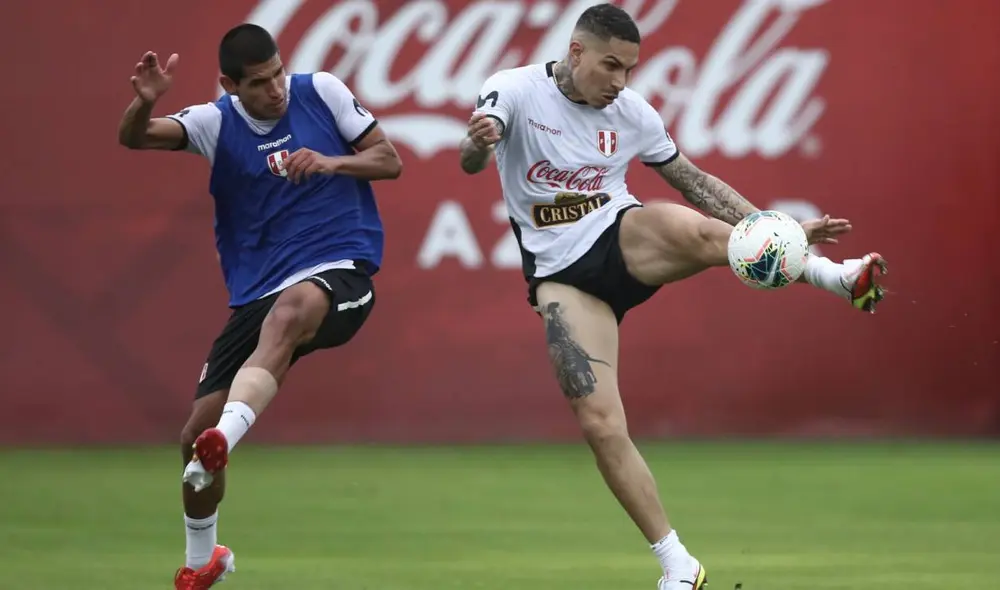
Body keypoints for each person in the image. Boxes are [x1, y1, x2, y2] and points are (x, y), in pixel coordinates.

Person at [459, 4, 887, 589]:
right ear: (577, 51)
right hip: (562, 275)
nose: (620, 81)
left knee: (710, 233)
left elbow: (695, 182)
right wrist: (479, 145)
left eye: (630, 69)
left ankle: (836, 276)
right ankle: (677, 565)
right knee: (601, 424)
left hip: (621, 235)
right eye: (611, 65)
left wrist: (773, 228)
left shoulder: (632, 112)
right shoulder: (512, 90)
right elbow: (472, 160)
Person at [117, 23, 402, 589]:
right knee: (191, 436)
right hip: (257, 292)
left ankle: (227, 438)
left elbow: (389, 159)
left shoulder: (321, 90)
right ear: (230, 84)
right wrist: (142, 103)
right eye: (260, 83)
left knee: (290, 314)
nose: (276, 91)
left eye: (277, 74)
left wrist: (330, 162)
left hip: (340, 271)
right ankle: (204, 560)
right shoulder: (214, 123)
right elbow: (135, 138)